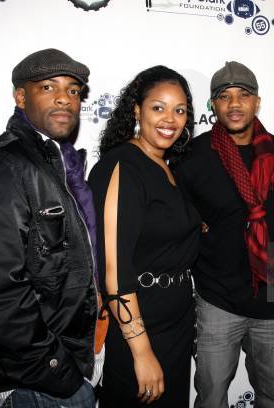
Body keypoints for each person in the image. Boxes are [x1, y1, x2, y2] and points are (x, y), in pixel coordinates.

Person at [0, 49, 101, 407]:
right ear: (21, 97)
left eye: (74, 90)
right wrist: (59, 374)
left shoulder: (60, 164)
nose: (65, 98)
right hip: (35, 383)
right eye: (48, 87)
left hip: (67, 366)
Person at [174, 61, 274, 408]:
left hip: (273, 298)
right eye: (224, 97)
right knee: (210, 398)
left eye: (244, 95)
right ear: (213, 106)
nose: (235, 104)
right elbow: (176, 216)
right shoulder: (192, 155)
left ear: (258, 102)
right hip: (217, 299)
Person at [88, 65, 200, 407]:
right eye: (158, 107)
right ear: (137, 110)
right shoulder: (122, 166)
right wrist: (141, 351)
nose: (170, 119)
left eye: (180, 110)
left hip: (178, 321)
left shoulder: (169, 167)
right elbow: (115, 272)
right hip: (141, 326)